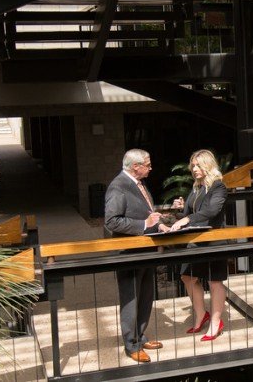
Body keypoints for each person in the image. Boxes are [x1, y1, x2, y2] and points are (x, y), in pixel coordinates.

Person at [104, 148, 169, 363]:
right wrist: (144, 224)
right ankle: (131, 344)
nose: (151, 168)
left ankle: (140, 337)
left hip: (145, 251)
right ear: (135, 166)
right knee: (131, 299)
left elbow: (146, 211)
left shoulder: (138, 183)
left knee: (146, 296)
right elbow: (112, 221)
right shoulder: (118, 186)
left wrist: (158, 223)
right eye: (147, 165)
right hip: (129, 253)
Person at [170, 149, 228, 341]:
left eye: (198, 165)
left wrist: (186, 219)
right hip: (196, 241)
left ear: (208, 165)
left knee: (214, 281)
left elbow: (212, 211)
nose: (194, 169)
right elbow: (188, 214)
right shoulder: (196, 188)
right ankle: (202, 314)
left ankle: (216, 322)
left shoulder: (218, 186)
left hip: (214, 240)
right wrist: (180, 210)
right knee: (187, 276)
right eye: (193, 165)